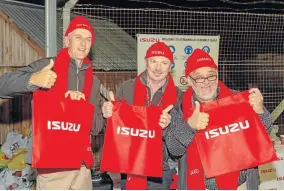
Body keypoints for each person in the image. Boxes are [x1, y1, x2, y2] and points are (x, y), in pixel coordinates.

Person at [0, 16, 105, 190]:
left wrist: (104, 113)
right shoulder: (48, 66)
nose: (83, 43)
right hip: (52, 164)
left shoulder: (93, 82)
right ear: (67, 40)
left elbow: (95, 128)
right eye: (78, 37)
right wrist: (33, 79)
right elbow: (2, 85)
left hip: (82, 166)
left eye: (88, 39)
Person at [165, 48, 273, 190]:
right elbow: (175, 150)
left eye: (211, 76)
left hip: (240, 185)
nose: (206, 82)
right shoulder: (179, 109)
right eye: (198, 77)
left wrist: (259, 110)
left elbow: (263, 134)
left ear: (217, 76)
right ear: (189, 81)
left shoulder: (237, 100)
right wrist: (189, 125)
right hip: (197, 186)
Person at [102, 42, 182, 190]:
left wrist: (168, 127)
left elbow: (180, 140)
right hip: (130, 165)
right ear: (146, 62)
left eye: (164, 63)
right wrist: (108, 115)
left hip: (162, 169)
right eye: (153, 61)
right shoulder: (126, 88)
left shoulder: (178, 96)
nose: (158, 68)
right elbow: (114, 131)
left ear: (171, 66)